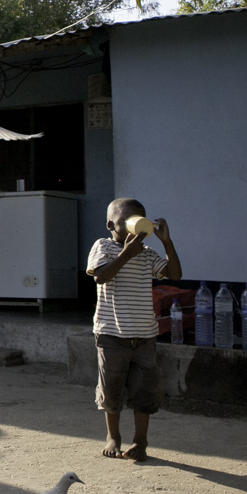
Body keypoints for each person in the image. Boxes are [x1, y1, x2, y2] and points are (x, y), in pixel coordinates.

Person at [86, 197, 182, 462]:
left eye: (139, 220)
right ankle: (113, 437)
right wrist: (127, 253)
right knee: (112, 388)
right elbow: (100, 276)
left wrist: (166, 243)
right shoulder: (103, 246)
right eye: (127, 221)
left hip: (144, 335)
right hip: (111, 334)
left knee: (144, 391)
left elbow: (175, 274)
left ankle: (140, 442)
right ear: (110, 225)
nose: (134, 227)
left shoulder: (148, 253)